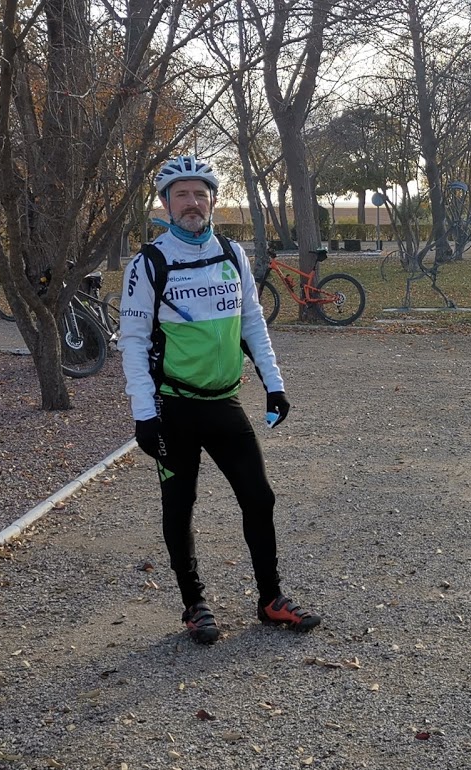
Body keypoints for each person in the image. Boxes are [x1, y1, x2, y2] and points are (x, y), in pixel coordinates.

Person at [119, 155, 320, 645]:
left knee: (259, 497)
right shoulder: (149, 263)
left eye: (200, 194)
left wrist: (274, 383)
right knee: (179, 504)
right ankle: (194, 604)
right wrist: (143, 413)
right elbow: (133, 341)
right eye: (181, 195)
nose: (192, 203)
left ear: (212, 200)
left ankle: (271, 599)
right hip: (173, 407)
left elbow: (252, 322)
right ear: (165, 204)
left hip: (224, 402)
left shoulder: (232, 253)